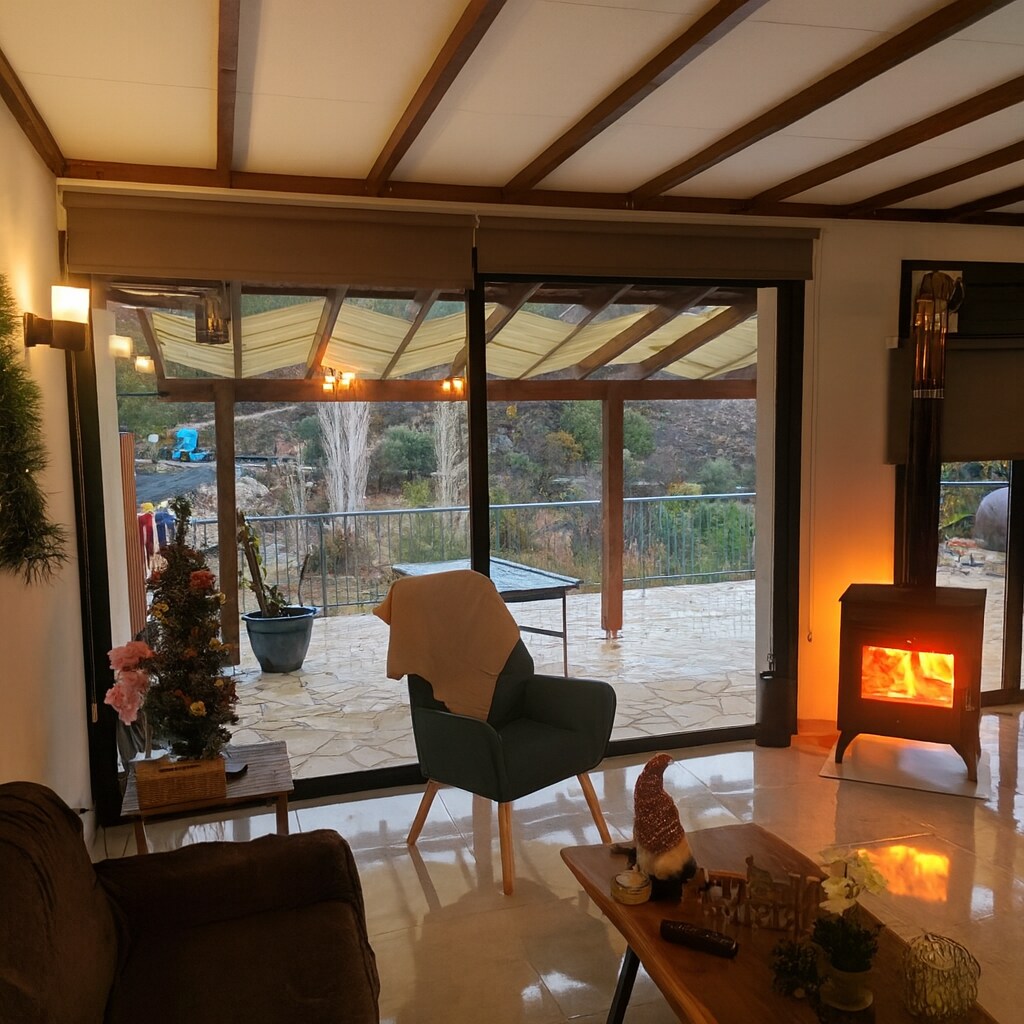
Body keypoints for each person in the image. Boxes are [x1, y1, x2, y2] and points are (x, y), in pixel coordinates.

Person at [137, 502, 155, 575]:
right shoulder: (151, 517)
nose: (141, 510)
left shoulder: (145, 517)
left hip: (146, 543)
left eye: (142, 508)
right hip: (150, 543)